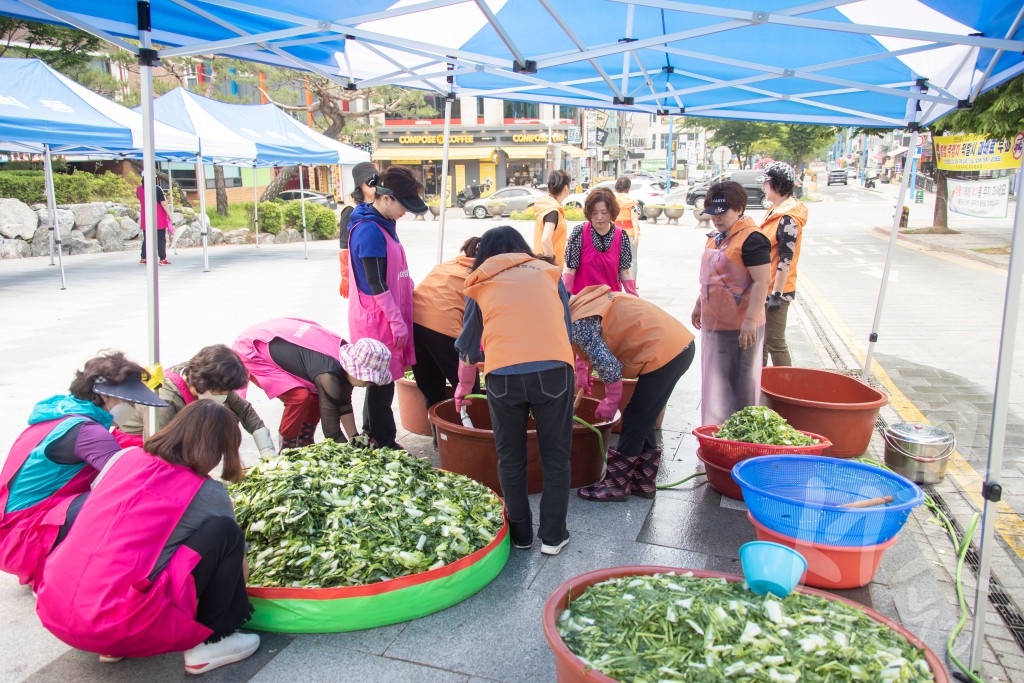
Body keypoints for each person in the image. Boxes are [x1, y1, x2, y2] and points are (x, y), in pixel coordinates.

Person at [36, 401, 261, 674]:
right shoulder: (207, 491)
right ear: (222, 448)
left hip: (57, 607)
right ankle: (212, 642)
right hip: (122, 621)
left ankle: (110, 647)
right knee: (226, 534)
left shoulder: (124, 459)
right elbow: (240, 565)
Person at [455, 226, 575, 556]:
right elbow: (565, 327)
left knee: (510, 458)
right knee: (556, 458)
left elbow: (467, 347)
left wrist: (466, 383)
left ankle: (521, 535)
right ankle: (552, 537)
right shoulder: (549, 273)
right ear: (522, 248)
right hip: (553, 370)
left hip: (503, 375)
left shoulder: (480, 281)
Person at [0, 351, 165, 588]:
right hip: (25, 541)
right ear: (106, 398)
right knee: (125, 501)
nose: (131, 407)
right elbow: (127, 480)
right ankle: (65, 572)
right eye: (127, 401)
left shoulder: (61, 411)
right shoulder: (89, 432)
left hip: (11, 531)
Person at [570, 285, 696, 501]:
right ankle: (643, 481)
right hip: (675, 345)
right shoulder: (580, 304)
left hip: (667, 352)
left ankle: (616, 485)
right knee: (642, 415)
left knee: (636, 417)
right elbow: (591, 340)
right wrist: (582, 371)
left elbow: (609, 366)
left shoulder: (575, 321)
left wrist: (611, 399)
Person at [346, 165, 427, 449]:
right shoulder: (369, 229)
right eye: (403, 205)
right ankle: (384, 441)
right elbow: (374, 281)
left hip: (389, 312)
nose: (405, 212)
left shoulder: (384, 223)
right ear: (385, 198)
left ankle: (371, 433)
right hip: (377, 318)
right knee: (381, 382)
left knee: (380, 379)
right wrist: (395, 319)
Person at [232, 318, 393, 449]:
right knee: (300, 397)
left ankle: (305, 441)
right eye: (367, 381)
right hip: (255, 348)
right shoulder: (329, 375)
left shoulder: (345, 358)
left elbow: (343, 401)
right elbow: (331, 431)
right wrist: (354, 460)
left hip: (282, 336)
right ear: (356, 370)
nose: (367, 385)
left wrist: (354, 438)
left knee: (319, 395)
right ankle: (287, 447)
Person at [690, 181, 772, 426]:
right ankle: (722, 429)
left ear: (738, 209)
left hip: (740, 328)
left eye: (722, 213)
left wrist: (749, 321)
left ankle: (743, 436)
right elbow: (712, 277)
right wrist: (698, 304)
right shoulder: (716, 238)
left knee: (742, 384)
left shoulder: (752, 239)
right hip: (716, 325)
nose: (716, 219)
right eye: (713, 214)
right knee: (719, 381)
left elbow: (761, 281)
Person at [115, 344, 277, 459]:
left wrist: (267, 452)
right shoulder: (165, 400)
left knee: (228, 415)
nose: (225, 395)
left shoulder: (203, 373)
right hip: (140, 442)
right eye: (221, 392)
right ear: (205, 385)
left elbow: (244, 411)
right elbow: (158, 452)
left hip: (176, 430)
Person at [411, 236, 481, 413]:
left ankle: (439, 435)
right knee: (468, 389)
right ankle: (472, 430)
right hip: (443, 328)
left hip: (414, 322)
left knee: (431, 386)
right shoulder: (481, 274)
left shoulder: (449, 264)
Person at [757, 162, 807, 367]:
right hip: (766, 286)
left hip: (776, 291)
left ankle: (785, 385)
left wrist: (777, 294)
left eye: (766, 183)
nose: (764, 188)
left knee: (774, 341)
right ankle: (760, 384)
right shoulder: (775, 210)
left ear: (775, 185)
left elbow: (785, 260)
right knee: (761, 343)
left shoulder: (788, 218)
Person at [561, 187, 635, 296]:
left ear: (612, 212)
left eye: (604, 212)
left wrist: (634, 299)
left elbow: (625, 271)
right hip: (583, 301)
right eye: (594, 213)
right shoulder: (579, 233)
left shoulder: (621, 236)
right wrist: (563, 299)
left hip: (610, 302)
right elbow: (570, 269)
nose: (599, 217)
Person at [338, 162, 378, 299]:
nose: (373, 184)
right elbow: (344, 247)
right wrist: (346, 277)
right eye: (369, 181)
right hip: (360, 267)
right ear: (360, 184)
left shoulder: (379, 206)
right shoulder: (350, 209)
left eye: (376, 179)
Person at [532, 169, 571, 266]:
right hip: (548, 267)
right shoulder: (553, 211)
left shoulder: (547, 205)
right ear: (566, 188)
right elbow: (545, 240)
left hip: (541, 263)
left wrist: (566, 238)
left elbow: (551, 233)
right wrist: (553, 265)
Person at [137, 174, 173, 266]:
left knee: (147, 239)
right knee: (160, 238)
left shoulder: (139, 189)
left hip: (146, 216)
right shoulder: (157, 188)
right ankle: (162, 258)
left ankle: (144, 258)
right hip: (158, 216)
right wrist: (169, 214)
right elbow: (164, 203)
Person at [613, 176, 641, 280]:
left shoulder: (613, 201)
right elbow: (634, 217)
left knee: (616, 258)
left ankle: (616, 280)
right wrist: (637, 234)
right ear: (628, 187)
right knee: (632, 259)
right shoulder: (632, 202)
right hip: (630, 233)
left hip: (616, 233)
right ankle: (632, 282)